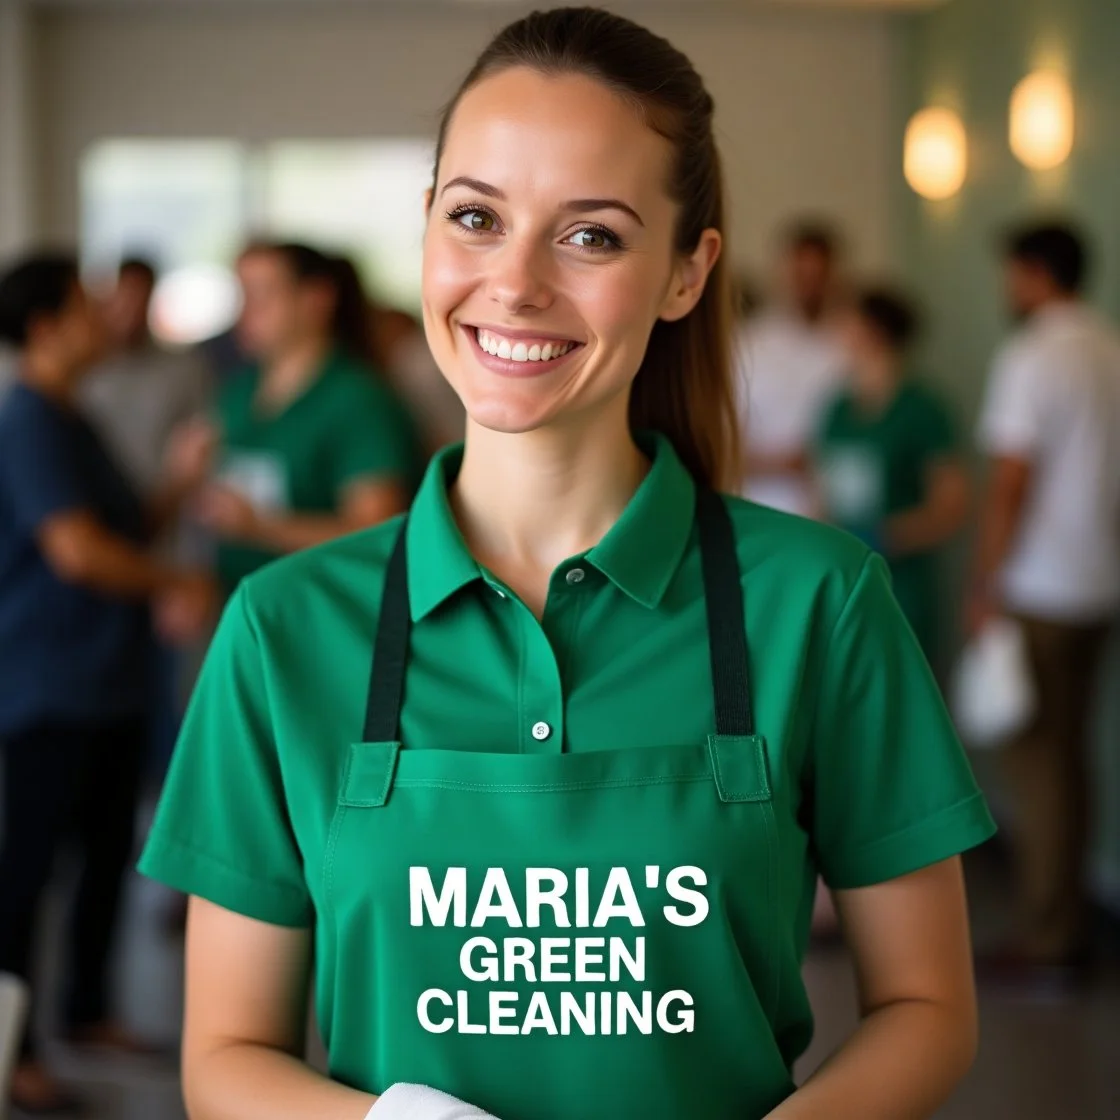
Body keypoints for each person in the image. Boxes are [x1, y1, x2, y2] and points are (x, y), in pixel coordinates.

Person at [140, 9, 995, 1119]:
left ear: (687, 272)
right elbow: (224, 1056)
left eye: (590, 235)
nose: (516, 283)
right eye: (475, 218)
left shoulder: (818, 602)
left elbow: (927, 1007)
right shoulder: (283, 626)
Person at [0, 254, 216, 1114]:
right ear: (47, 325)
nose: (110, 319)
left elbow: (122, 528)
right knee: (28, 872)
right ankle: (13, 1050)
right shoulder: (30, 422)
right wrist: (179, 585)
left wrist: (180, 481)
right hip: (48, 683)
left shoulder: (72, 415)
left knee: (99, 857)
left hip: (106, 682)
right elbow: (78, 551)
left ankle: (87, 1016)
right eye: (89, 308)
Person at [969, 221, 1120, 992]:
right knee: (1070, 755)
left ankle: (1048, 935)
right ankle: (1067, 923)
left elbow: (1011, 481)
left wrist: (985, 583)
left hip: (1040, 587)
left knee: (1036, 765)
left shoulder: (1032, 355)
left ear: (1031, 273)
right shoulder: (1107, 348)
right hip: (1098, 584)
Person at [191, 241, 423, 594]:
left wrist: (262, 528)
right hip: (238, 608)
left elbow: (378, 532)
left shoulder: (357, 401)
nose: (246, 312)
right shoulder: (238, 391)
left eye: (262, 295)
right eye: (241, 295)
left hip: (316, 613)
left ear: (316, 300)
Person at [816, 287, 970, 662]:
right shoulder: (837, 408)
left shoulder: (923, 410)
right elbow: (820, 490)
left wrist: (883, 538)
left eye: (846, 325)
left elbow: (952, 507)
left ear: (874, 333)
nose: (838, 335)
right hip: (844, 580)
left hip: (903, 586)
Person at [734, 221, 847, 517]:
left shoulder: (851, 342)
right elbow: (719, 445)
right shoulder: (749, 344)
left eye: (818, 276)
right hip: (764, 509)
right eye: (802, 275)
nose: (809, 287)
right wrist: (785, 463)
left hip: (841, 515)